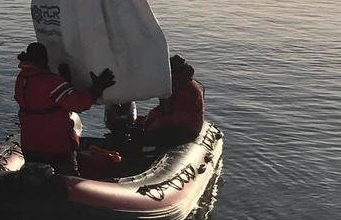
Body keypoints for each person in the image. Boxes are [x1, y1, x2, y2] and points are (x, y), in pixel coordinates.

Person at [13, 42, 115, 172]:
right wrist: (96, 88)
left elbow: (41, 100)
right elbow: (77, 104)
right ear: (44, 60)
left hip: (30, 145)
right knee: (67, 178)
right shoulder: (52, 82)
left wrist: (65, 81)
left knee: (36, 179)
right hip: (56, 146)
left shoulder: (21, 79)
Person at [137, 54, 205, 146]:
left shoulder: (185, 89)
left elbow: (176, 116)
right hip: (177, 123)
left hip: (186, 129)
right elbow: (165, 110)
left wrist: (153, 124)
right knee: (140, 128)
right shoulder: (177, 84)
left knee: (148, 138)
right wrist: (148, 119)